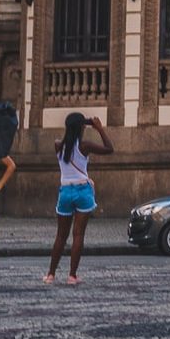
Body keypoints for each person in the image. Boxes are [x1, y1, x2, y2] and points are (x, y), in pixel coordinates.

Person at [45, 113, 113, 285]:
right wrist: (99, 128)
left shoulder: (58, 145)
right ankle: (72, 276)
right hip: (83, 191)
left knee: (60, 236)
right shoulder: (85, 146)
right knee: (78, 235)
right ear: (82, 127)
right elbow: (109, 148)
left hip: (65, 191)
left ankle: (51, 274)